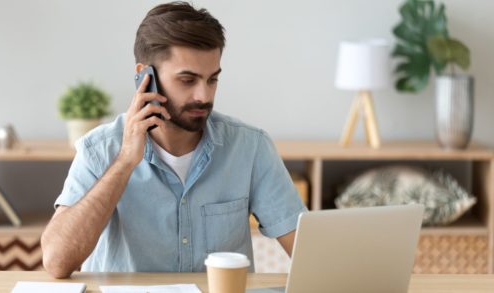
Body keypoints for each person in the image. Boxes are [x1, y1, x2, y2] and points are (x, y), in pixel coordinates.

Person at [41, 1, 307, 278]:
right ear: (145, 77)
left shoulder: (250, 148)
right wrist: (124, 162)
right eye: (187, 80)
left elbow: (308, 253)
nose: (203, 96)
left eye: (212, 79)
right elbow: (57, 262)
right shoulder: (99, 149)